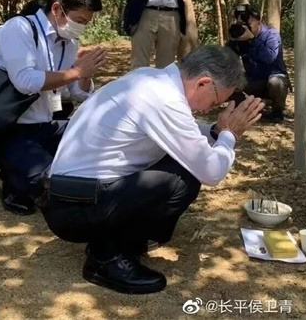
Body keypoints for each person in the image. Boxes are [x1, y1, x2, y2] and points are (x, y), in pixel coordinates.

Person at [40, 45, 264, 295]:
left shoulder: (150, 79)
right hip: (74, 209)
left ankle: (124, 240)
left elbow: (184, 131)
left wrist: (216, 131)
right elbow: (212, 171)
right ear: (203, 83)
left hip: (70, 198)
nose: (209, 109)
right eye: (215, 102)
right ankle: (106, 258)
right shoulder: (164, 99)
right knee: (181, 179)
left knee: (182, 166)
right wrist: (229, 134)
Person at [0, 0, 108, 216]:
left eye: (86, 23)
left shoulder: (69, 43)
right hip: (8, 128)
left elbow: (76, 92)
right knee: (50, 182)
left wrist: (84, 74)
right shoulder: (19, 28)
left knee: (98, 143)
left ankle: (26, 170)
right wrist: (76, 72)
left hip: (44, 124)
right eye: (79, 20)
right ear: (57, 9)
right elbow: (25, 81)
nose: (81, 27)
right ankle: (13, 179)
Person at [0, 0, 76, 120]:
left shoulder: (57, 43)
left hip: (14, 100)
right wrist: (74, 74)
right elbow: (26, 81)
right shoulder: (16, 32)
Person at [227, 4, 290, 123]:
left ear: (258, 21)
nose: (244, 26)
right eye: (241, 23)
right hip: (253, 80)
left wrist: (252, 40)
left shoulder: (271, 34)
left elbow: (269, 57)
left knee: (275, 82)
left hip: (273, 78)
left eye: (247, 22)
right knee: (228, 80)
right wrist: (233, 42)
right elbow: (227, 57)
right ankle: (247, 108)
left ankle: (277, 111)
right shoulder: (241, 36)